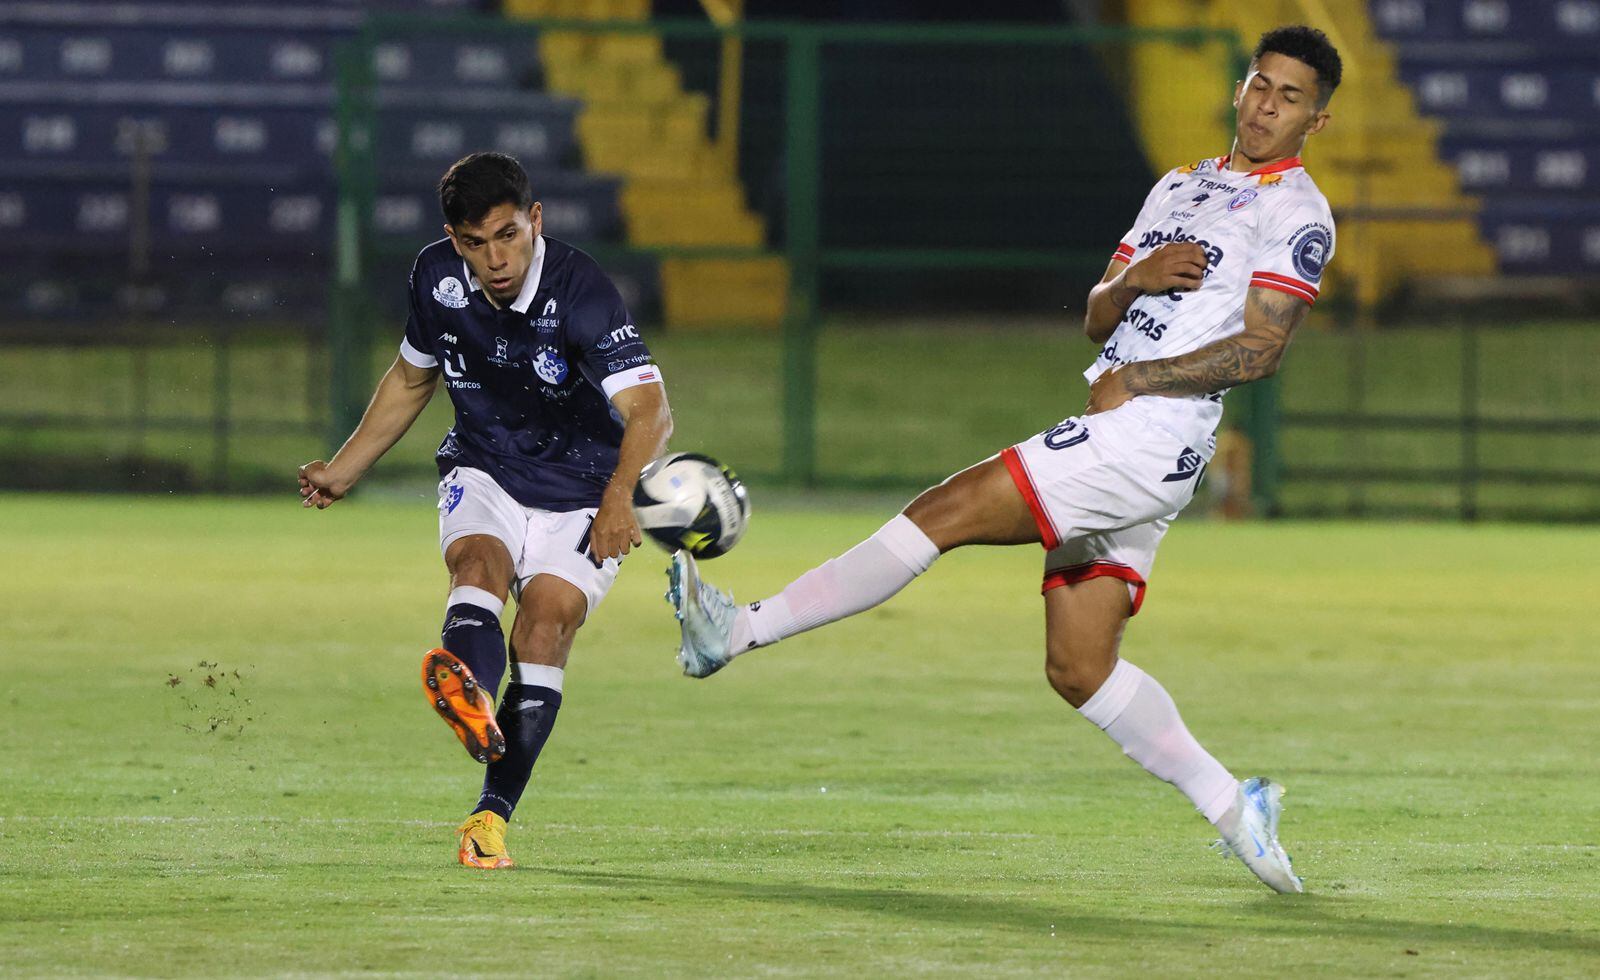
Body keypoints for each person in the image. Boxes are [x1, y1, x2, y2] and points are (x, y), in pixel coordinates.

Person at [667, 25, 1342, 893]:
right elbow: (1095, 314)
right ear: (1241, 87)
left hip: (1150, 433)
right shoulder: (1179, 184)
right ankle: (1234, 807)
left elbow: (1263, 349)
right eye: (1260, 85)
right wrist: (1133, 283)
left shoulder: (1297, 212)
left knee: (942, 512)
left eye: (1290, 97)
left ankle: (735, 631)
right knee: (1079, 668)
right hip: (1130, 432)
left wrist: (1140, 377)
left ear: (1315, 120)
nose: (1267, 106)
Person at [299, 152, 672, 869]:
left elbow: (651, 410)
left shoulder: (582, 289)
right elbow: (413, 377)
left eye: (508, 236)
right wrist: (344, 468)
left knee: (547, 623)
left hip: (586, 488)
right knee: (477, 564)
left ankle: (489, 819)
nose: (495, 259)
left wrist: (621, 496)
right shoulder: (435, 276)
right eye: (475, 243)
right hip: (486, 465)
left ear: (535, 220)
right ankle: (469, 695)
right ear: (454, 238)